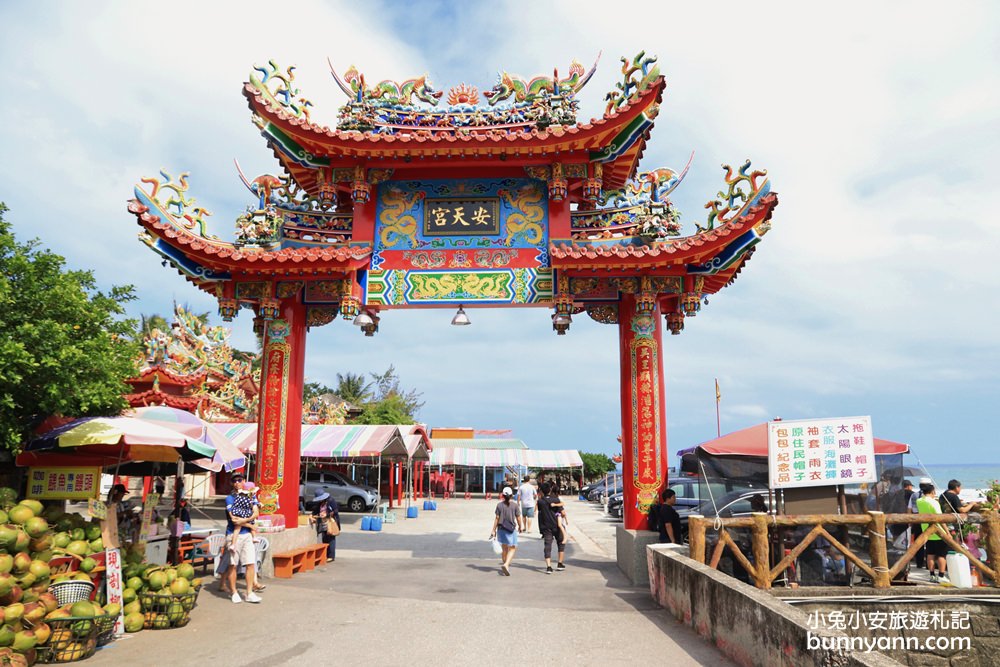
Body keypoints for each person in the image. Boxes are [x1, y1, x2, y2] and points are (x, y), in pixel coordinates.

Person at [225, 473, 261, 603]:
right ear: (231, 483)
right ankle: (234, 591)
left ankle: (249, 592)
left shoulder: (251, 495)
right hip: (233, 534)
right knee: (233, 565)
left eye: (239, 480)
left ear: (244, 481)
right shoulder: (229, 498)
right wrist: (251, 525)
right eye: (234, 481)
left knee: (250, 564)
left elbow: (256, 512)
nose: (237, 483)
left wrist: (244, 521)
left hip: (246, 536)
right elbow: (234, 520)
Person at [915, 482, 948, 583]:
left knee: (930, 554)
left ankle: (932, 575)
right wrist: (947, 532)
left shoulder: (919, 501)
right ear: (932, 491)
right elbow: (940, 518)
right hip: (938, 531)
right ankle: (941, 575)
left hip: (927, 530)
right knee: (941, 555)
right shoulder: (934, 502)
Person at [489, 487, 523, 576]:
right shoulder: (515, 505)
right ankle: (506, 564)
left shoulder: (499, 505)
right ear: (512, 495)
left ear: (503, 495)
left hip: (501, 529)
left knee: (504, 548)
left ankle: (506, 565)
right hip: (511, 529)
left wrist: (493, 530)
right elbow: (518, 518)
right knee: (513, 547)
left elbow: (497, 518)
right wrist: (520, 526)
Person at [536, 481, 565, 574]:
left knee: (547, 546)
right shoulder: (556, 499)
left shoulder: (540, 501)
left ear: (542, 491)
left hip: (546, 527)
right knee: (560, 544)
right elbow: (562, 512)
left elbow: (540, 512)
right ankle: (560, 564)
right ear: (550, 490)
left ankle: (548, 567)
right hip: (557, 525)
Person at [309, 490, 340, 562]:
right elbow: (315, 511)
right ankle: (325, 554)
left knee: (331, 538)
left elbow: (335, 511)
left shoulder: (331, 501)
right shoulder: (320, 503)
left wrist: (327, 514)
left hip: (330, 522)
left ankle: (331, 556)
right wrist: (312, 514)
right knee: (324, 538)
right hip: (323, 522)